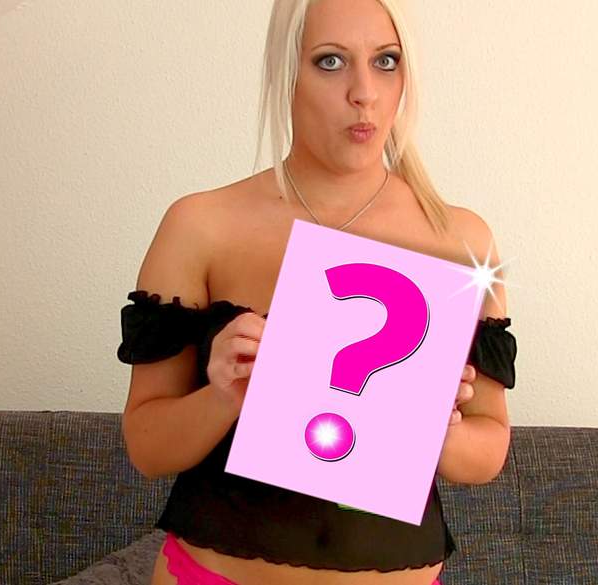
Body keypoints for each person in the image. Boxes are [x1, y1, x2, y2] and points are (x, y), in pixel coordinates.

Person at [118, 1, 518, 583]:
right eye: (330, 61)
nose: (364, 93)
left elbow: (488, 446)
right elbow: (147, 447)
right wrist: (224, 395)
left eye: (386, 61)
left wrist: (440, 427)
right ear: (287, 74)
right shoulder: (202, 225)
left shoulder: (461, 239)